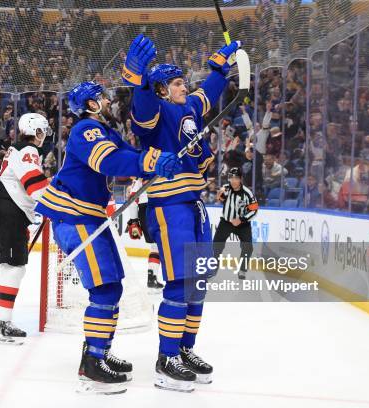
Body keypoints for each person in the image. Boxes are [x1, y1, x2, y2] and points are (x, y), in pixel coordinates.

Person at [35, 81, 182, 394]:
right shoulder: (86, 129)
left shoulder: (105, 130)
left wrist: (158, 156)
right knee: (104, 289)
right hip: (75, 218)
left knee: (111, 286)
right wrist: (149, 162)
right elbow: (109, 162)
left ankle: (99, 352)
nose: (106, 101)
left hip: (88, 218)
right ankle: (92, 365)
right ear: (90, 105)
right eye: (100, 97)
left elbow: (131, 156)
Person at [125, 33, 240, 391]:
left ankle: (185, 349)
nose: (183, 86)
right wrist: (139, 77)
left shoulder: (190, 105)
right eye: (177, 82)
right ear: (162, 88)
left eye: (183, 82)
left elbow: (208, 91)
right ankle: (166, 358)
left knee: (199, 282)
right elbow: (141, 110)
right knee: (178, 282)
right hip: (168, 205)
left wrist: (219, 69)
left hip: (195, 204)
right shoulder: (155, 109)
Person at [0, 113, 52, 345]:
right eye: (43, 132)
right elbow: (34, 185)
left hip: (5, 208)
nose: (44, 137)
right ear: (36, 132)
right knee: (14, 268)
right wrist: (56, 204)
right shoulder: (28, 150)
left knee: (10, 268)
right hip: (10, 210)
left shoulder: (17, 149)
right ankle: (2, 324)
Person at [213, 167, 258, 280]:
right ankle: (213, 268)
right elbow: (221, 196)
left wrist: (241, 219)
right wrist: (219, 195)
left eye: (236, 178)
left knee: (248, 247)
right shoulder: (227, 188)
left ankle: (242, 269)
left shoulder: (247, 193)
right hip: (226, 222)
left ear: (241, 179)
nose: (233, 181)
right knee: (216, 245)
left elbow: (254, 209)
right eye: (231, 178)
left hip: (242, 223)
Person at [125, 178, 164, 290]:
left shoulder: (139, 177)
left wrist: (134, 220)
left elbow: (132, 199)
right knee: (164, 245)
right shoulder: (164, 171)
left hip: (144, 210)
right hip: (157, 207)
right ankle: (170, 279)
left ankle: (152, 278)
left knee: (155, 246)